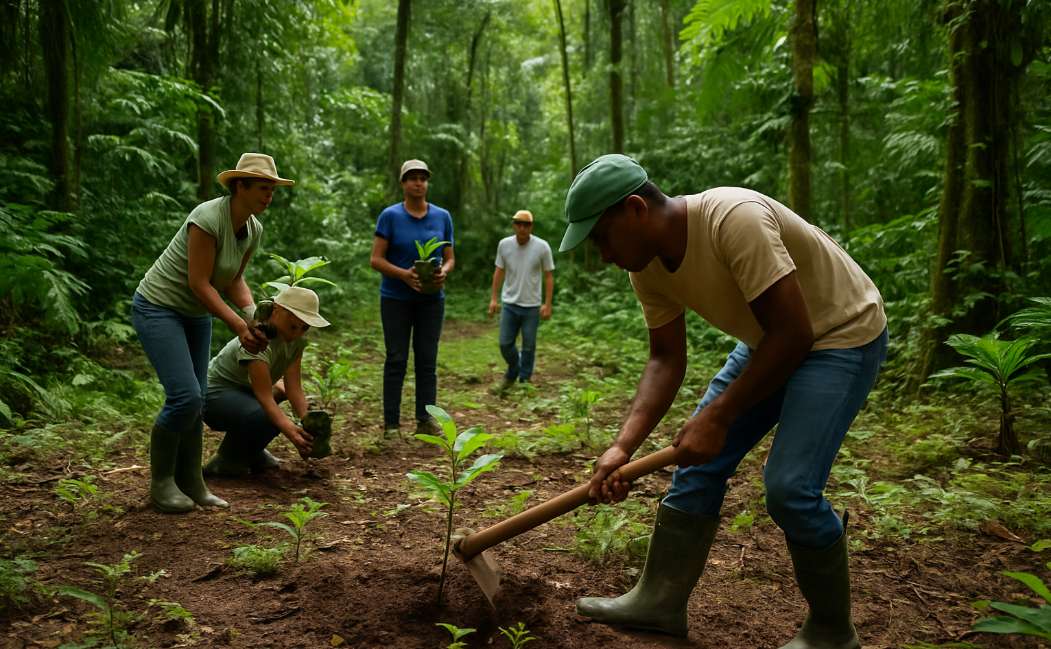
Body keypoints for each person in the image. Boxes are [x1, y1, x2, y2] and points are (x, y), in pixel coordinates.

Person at [560, 154, 887, 649]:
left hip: (841, 333)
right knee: (694, 466)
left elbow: (795, 334)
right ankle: (660, 601)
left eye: (601, 237)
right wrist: (622, 446)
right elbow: (665, 360)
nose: (601, 254)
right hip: (770, 339)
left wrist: (719, 416)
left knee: (790, 488)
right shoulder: (645, 266)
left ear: (635, 210)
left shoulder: (734, 219)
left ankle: (831, 630)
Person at [132, 153, 294, 513]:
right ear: (240, 186)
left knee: (198, 399)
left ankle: (192, 482)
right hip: (158, 307)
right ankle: (162, 483)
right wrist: (239, 325)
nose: (269, 196)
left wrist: (255, 316)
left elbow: (234, 280)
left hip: (194, 314)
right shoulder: (207, 219)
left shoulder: (252, 228)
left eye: (272, 190)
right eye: (263, 189)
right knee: (184, 397)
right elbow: (199, 283)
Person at [201, 286, 329, 476]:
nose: (296, 333)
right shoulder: (258, 340)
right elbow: (264, 396)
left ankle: (252, 451)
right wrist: (291, 432)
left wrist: (307, 424)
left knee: (276, 400)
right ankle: (226, 460)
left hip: (246, 394)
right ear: (276, 310)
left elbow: (294, 388)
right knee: (266, 416)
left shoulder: (295, 344)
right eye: (292, 326)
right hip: (213, 396)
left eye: (304, 328)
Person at [369, 159, 455, 437]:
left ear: (427, 183)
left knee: (427, 360)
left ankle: (425, 419)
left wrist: (444, 272)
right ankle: (391, 424)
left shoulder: (442, 216)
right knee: (396, 358)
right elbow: (376, 259)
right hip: (395, 298)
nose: (418, 182)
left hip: (431, 300)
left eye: (423, 178)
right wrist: (404, 275)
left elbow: (450, 258)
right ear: (403, 183)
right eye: (412, 178)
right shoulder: (390, 216)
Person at [487, 210, 554, 391]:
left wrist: (547, 304)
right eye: (519, 223)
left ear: (531, 226)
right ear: (514, 225)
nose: (522, 228)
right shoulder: (504, 245)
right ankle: (514, 368)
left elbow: (548, 276)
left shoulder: (542, 247)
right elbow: (499, 272)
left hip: (532, 305)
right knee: (505, 343)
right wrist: (494, 298)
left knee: (529, 346)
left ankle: (524, 381)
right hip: (510, 303)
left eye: (527, 224)